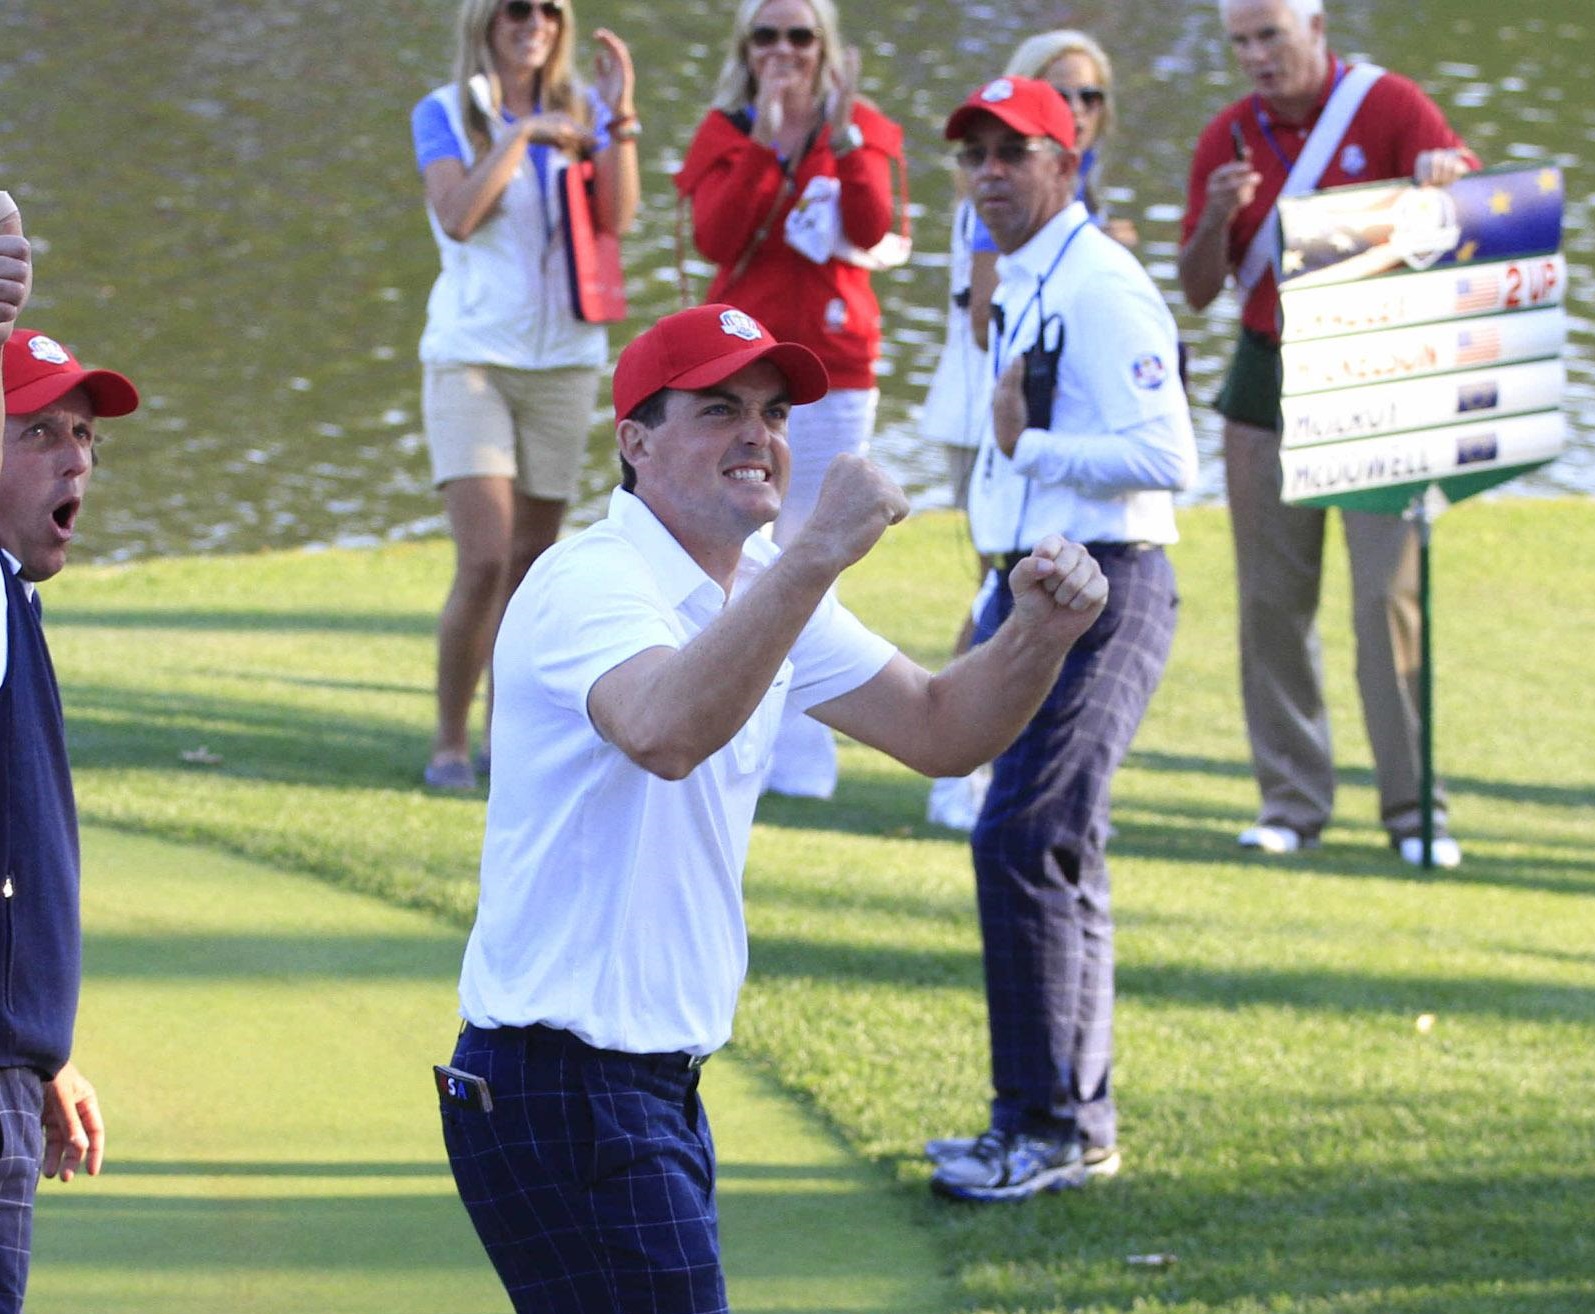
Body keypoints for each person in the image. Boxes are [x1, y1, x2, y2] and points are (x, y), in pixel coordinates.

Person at [438, 303, 1108, 1308]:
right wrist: (815, 552)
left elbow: (938, 729)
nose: (759, 434)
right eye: (719, 410)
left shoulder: (763, 590)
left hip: (643, 1084)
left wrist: (1038, 636)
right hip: (559, 1082)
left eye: (775, 414)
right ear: (635, 442)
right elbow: (664, 729)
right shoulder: (590, 581)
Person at [922, 77, 1197, 1203]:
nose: (988, 172)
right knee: (1048, 843)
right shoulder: (1026, 276)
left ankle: (1045, 1129)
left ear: (1066, 158)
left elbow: (1166, 455)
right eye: (973, 154)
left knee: (1024, 837)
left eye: (1011, 152)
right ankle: (1062, 1123)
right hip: (1036, 585)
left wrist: (1031, 450)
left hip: (1103, 585)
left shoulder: (1102, 286)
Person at [1178, 0, 1476, 864]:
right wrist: (1213, 219)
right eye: (1239, 42)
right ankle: (1291, 802)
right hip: (1266, 382)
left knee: (1386, 598)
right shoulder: (1226, 136)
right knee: (1272, 603)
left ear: (1315, 27)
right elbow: (1197, 288)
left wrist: (1445, 178)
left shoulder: (1387, 106)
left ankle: (1415, 812)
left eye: (1269, 35)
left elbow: (1470, 216)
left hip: (1379, 378)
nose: (1255, 57)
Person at [674, 0, 908, 801]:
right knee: (738, 556)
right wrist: (768, 147)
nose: (783, 51)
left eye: (799, 36)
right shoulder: (726, 130)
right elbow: (716, 238)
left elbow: (875, 221)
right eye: (766, 36)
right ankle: (728, 737)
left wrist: (838, 137)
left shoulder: (864, 126)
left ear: (825, 46)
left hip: (836, 368)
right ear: (745, 46)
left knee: (812, 555)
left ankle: (803, 765)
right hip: (743, 372)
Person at [411, 0, 640, 791]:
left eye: (548, 9)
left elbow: (617, 218)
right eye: (517, 7)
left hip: (567, 362)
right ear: (486, 18)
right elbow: (459, 214)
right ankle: (448, 743)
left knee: (533, 562)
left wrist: (624, 119)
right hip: (471, 356)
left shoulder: (584, 108)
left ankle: (513, 741)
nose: (532, 21)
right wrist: (516, 137)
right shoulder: (443, 112)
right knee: (482, 557)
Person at [923, 28, 1140, 832]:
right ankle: (955, 766)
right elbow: (987, 322)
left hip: (1036, 425)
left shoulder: (1077, 202)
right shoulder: (999, 199)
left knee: (1033, 596)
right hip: (985, 418)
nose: (1081, 108)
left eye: (1092, 96)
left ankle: (1035, 771)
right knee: (999, 593)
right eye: (1064, 91)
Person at [0, 194, 121, 1311]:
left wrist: (35, 1050)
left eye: (82, 433)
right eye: (38, 431)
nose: (74, 456)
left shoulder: (13, 601)